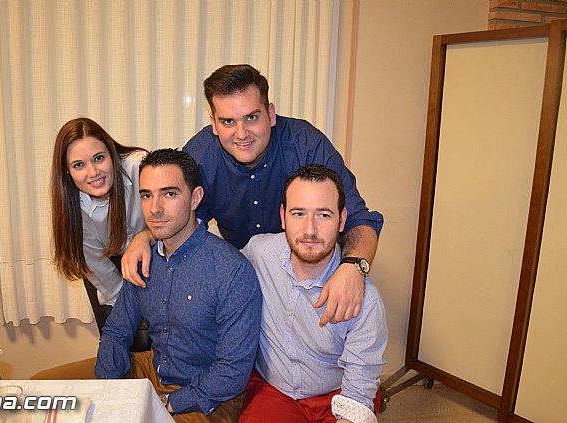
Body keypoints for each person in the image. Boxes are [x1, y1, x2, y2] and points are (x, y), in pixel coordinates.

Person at [121, 64, 383, 326]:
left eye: (251, 117)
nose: (241, 134)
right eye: (228, 122)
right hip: (240, 279)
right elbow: (181, 218)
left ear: (270, 114)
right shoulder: (201, 155)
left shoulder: (305, 145)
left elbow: (359, 219)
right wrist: (145, 237)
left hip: (311, 274)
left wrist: (353, 267)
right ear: (214, 123)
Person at [95, 149, 262, 422]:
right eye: (146, 195)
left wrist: (162, 404)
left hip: (208, 396)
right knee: (50, 389)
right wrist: (107, 388)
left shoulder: (232, 271)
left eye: (169, 194)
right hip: (153, 370)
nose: (155, 208)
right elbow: (116, 331)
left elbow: (231, 372)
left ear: (195, 198)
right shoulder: (144, 259)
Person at [239, 164, 388, 423]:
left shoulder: (366, 299)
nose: (309, 230)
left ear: (342, 220)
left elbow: (358, 389)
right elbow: (219, 278)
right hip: (274, 390)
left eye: (324, 215)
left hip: (339, 393)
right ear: (283, 216)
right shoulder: (258, 253)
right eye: (298, 213)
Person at [50, 117, 148, 337]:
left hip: (153, 254)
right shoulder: (74, 208)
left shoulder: (139, 167)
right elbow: (100, 268)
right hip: (104, 262)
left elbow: (173, 214)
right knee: (123, 338)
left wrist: (145, 236)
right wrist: (130, 310)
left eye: (99, 158)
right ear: (67, 171)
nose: (93, 172)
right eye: (79, 165)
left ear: (112, 154)